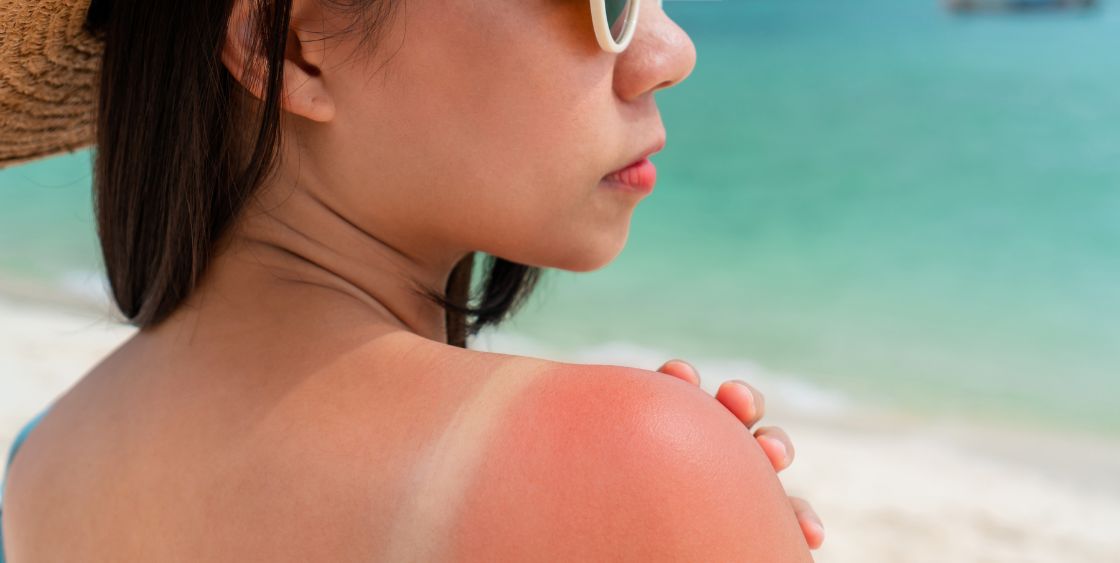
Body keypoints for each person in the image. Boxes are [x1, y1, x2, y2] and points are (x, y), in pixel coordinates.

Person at [0, 0, 824, 560]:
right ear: (290, 45)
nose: (670, 53)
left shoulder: (37, 463)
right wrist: (689, 491)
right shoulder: (645, 458)